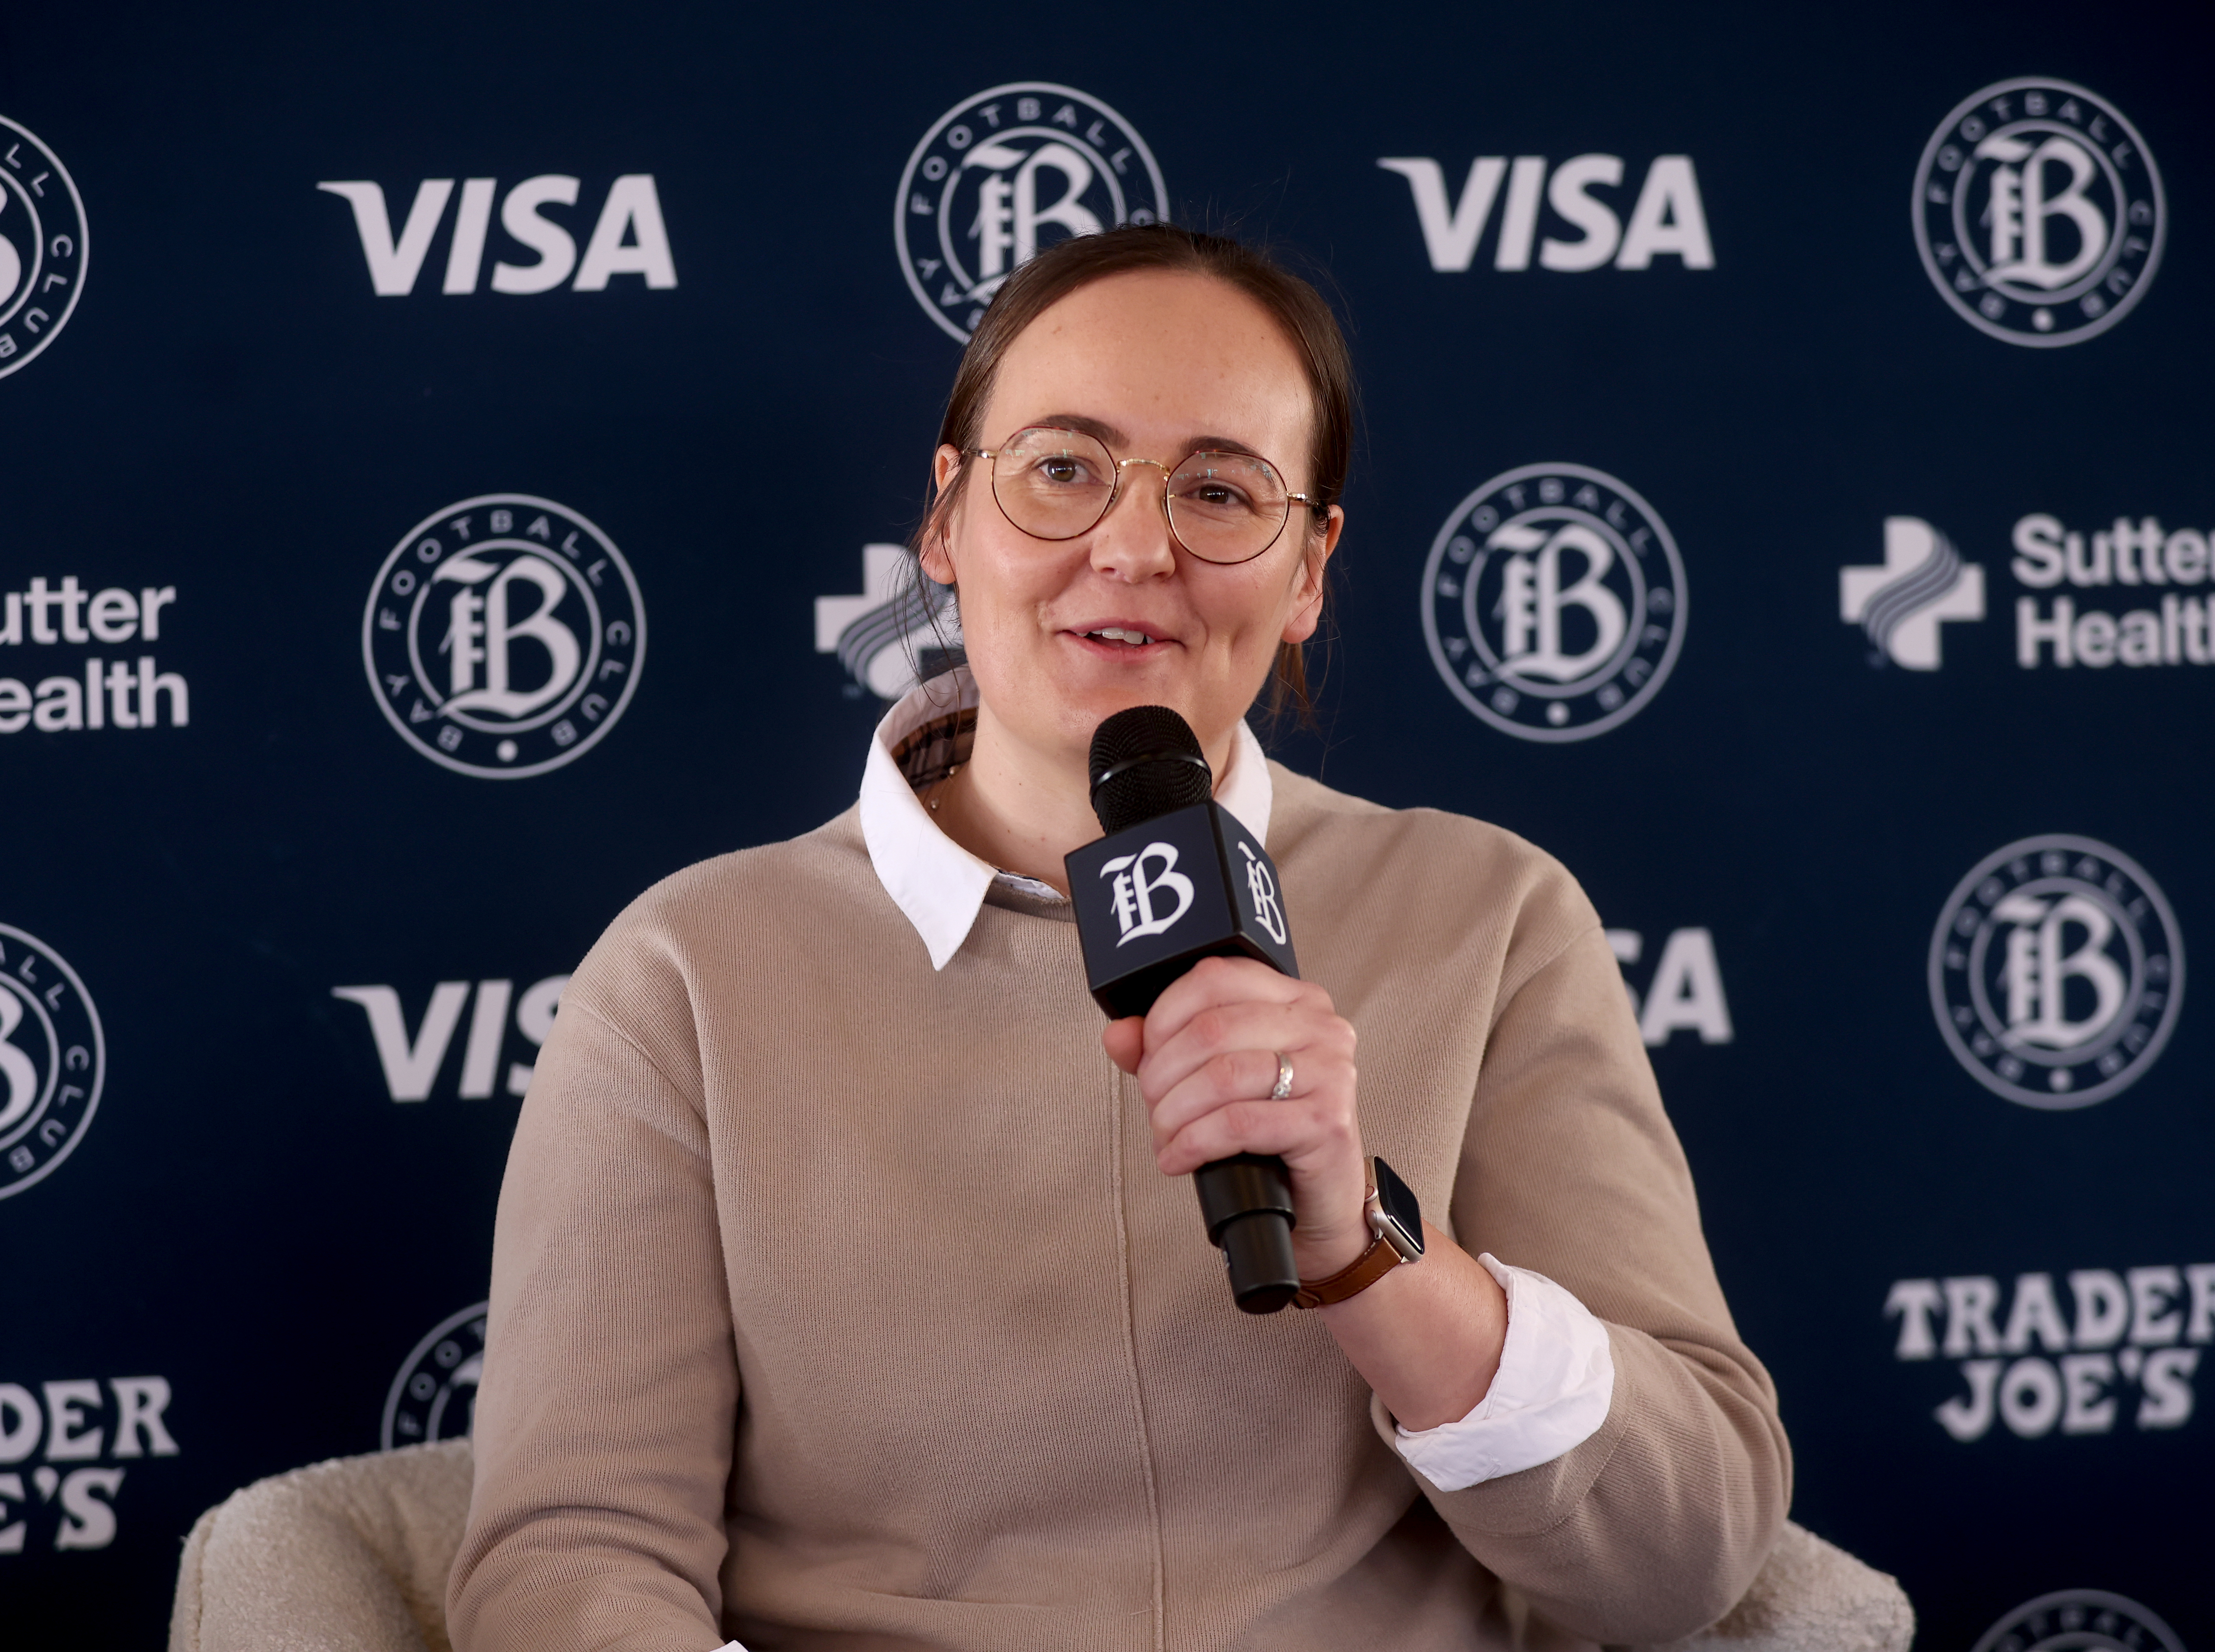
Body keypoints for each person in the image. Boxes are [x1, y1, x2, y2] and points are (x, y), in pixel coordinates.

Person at [447, 225, 1789, 1652]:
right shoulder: (689, 972)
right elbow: (572, 1559)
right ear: (946, 521)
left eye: (1220, 490)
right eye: (1062, 469)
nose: (1135, 545)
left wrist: (1364, 1245)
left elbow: (1683, 1556)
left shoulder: (1491, 914)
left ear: (1310, 571)